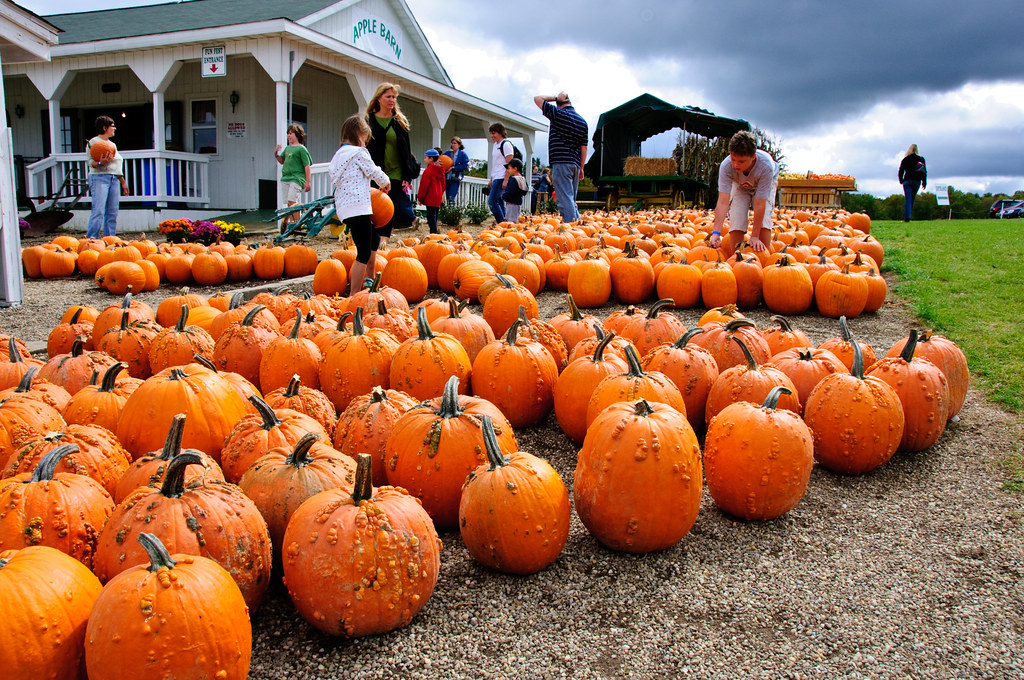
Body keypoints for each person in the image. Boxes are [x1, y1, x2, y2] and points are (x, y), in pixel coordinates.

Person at [328, 114, 391, 295]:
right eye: (365, 139)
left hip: (346, 210)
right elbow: (373, 171)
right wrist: (385, 182)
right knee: (363, 253)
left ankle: (370, 281)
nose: (365, 143)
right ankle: (354, 294)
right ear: (358, 133)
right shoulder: (359, 153)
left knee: (372, 239)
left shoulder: (338, 155)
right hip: (359, 207)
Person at [708, 130, 780, 257]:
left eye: (741, 161)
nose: (736, 164)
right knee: (736, 215)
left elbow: (760, 203)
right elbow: (723, 201)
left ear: (753, 157)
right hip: (740, 184)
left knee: (764, 221)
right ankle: (736, 258)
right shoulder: (726, 167)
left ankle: (763, 261)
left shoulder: (765, 167)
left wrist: (755, 236)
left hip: (763, 182)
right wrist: (716, 233)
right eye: (733, 159)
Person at [365, 83, 419, 245]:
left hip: (395, 172)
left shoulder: (399, 122)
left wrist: (407, 175)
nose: (391, 100)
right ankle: (373, 242)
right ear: (379, 98)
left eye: (394, 97)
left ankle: (382, 243)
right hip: (375, 171)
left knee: (389, 208)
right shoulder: (369, 121)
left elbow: (406, 150)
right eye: (388, 96)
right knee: (374, 208)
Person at [533, 91, 588, 223]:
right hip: (575, 164)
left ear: (558, 104)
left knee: (565, 201)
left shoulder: (558, 114)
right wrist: (581, 168)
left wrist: (555, 98)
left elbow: (537, 99)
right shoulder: (582, 121)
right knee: (571, 200)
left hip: (561, 162)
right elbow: (584, 147)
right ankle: (579, 227)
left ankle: (573, 229)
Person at [85, 115, 128, 239]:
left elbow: (116, 166)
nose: (114, 128)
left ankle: (110, 239)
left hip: (113, 179)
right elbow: (89, 161)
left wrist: (123, 182)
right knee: (98, 210)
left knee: (112, 212)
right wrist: (100, 163)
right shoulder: (93, 143)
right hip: (99, 178)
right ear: (104, 128)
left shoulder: (112, 145)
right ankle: (92, 239)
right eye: (112, 126)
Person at [274, 123, 312, 233]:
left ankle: (297, 224)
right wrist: (276, 154)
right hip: (286, 178)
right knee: (288, 203)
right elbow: (282, 161)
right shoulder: (287, 149)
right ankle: (293, 226)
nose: (289, 136)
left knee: (293, 201)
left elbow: (307, 166)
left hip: (297, 178)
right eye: (288, 134)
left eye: (291, 133)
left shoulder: (301, 149)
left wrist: (308, 182)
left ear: (297, 135)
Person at [487, 122, 515, 222]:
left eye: (494, 133)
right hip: (496, 177)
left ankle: (501, 223)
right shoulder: (495, 145)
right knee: (499, 201)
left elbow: (509, 164)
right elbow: (495, 164)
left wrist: (506, 180)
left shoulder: (506, 144)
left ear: (500, 132)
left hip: (502, 177)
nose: (492, 136)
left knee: (492, 201)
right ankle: (505, 224)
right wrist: (491, 178)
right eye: (491, 133)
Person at [416, 148, 446, 234]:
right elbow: (444, 185)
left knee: (430, 218)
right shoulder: (440, 171)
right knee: (435, 217)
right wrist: (440, 192)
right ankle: (435, 233)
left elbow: (424, 186)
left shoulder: (428, 171)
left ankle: (433, 234)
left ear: (431, 159)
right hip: (437, 198)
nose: (425, 159)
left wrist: (420, 198)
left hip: (430, 197)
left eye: (426, 157)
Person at [898, 144, 927, 222]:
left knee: (908, 198)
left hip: (907, 181)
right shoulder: (921, 159)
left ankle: (907, 217)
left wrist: (901, 180)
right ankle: (908, 216)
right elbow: (924, 171)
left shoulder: (905, 159)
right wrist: (924, 182)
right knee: (912, 199)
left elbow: (901, 171)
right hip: (917, 181)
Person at [442, 136, 470, 204]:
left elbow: (465, 165)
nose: (453, 145)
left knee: (452, 196)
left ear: (459, 145)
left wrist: (455, 168)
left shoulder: (462, 154)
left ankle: (451, 211)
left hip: (456, 176)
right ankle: (449, 211)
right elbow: (442, 160)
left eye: (455, 143)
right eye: (452, 143)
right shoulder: (448, 153)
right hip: (447, 176)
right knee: (447, 194)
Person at [501, 158, 529, 223]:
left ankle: (511, 230)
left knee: (511, 220)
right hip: (518, 202)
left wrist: (503, 196)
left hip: (512, 203)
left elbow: (510, 191)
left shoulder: (514, 179)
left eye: (509, 168)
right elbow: (525, 190)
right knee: (515, 217)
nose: (508, 170)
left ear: (515, 168)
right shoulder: (522, 178)